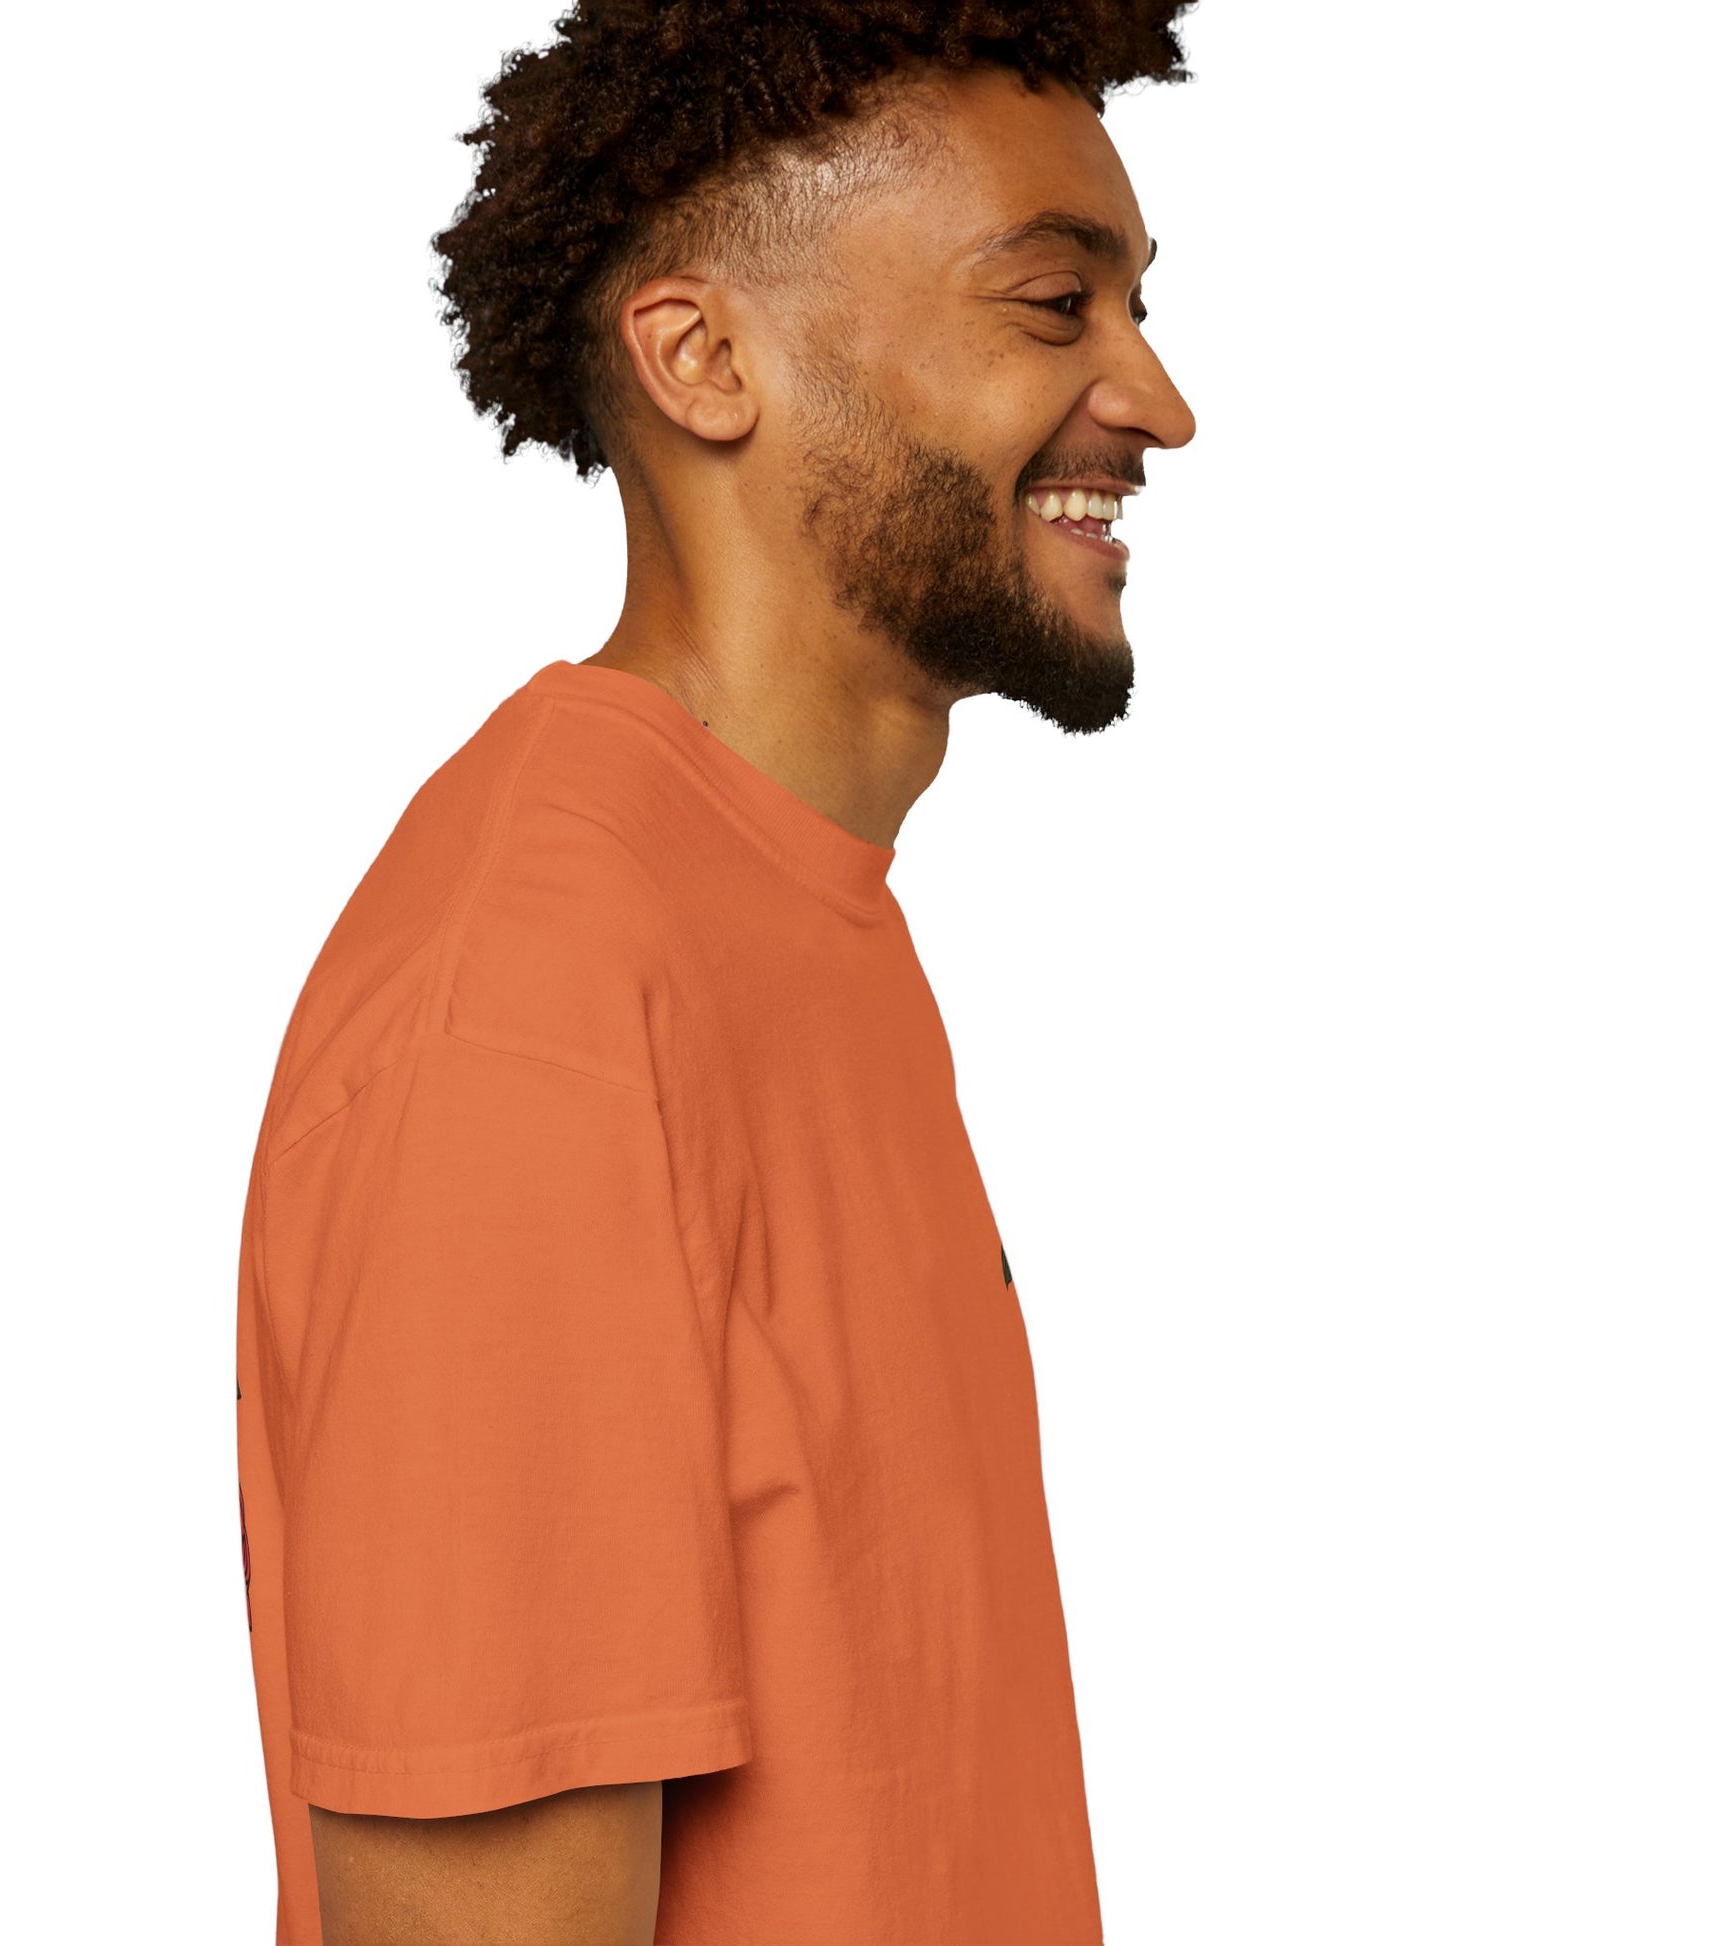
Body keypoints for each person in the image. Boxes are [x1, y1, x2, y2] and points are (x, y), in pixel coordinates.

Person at [234, 3, 1197, 1939]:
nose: (1159, 402)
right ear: (702, 359)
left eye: (1136, 307)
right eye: (1051, 306)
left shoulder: (788, 909)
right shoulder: (538, 1013)